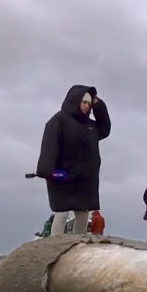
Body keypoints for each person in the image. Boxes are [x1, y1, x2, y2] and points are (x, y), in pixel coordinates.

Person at [36, 85, 111, 236]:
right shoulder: (58, 120)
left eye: (89, 104)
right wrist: (49, 172)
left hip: (84, 179)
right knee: (62, 213)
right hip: (62, 176)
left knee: (82, 214)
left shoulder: (91, 126)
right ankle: (54, 245)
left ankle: (78, 245)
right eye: (84, 102)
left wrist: (98, 104)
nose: (87, 106)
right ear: (74, 100)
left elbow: (105, 128)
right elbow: (49, 147)